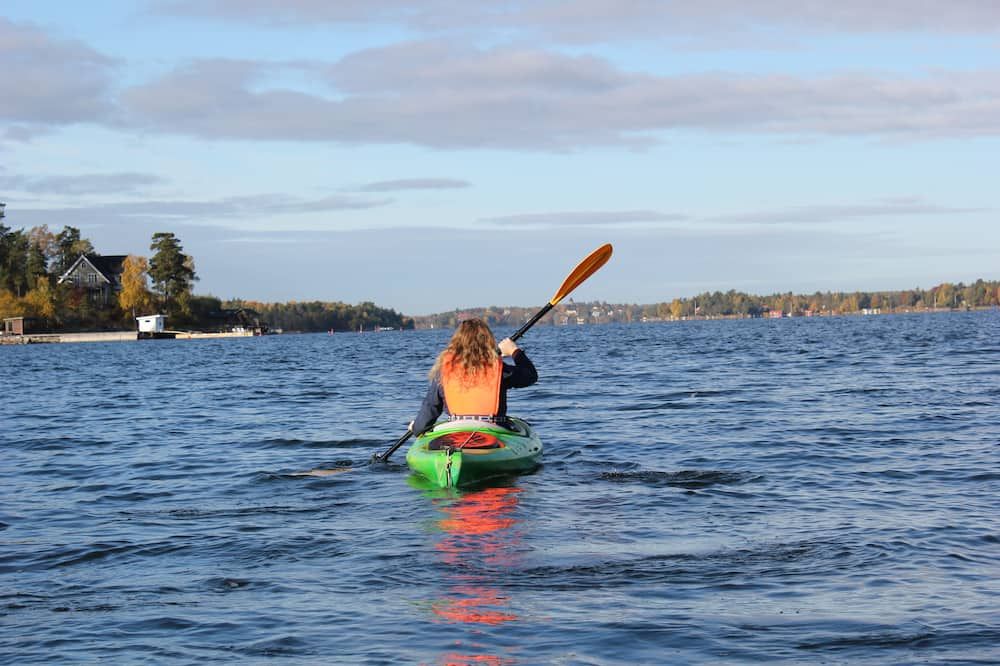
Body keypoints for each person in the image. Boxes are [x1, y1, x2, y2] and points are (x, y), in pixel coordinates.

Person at [410, 319, 538, 435]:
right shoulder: (500, 370)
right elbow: (531, 375)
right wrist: (514, 351)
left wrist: (416, 427)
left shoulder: (443, 372)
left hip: (456, 433)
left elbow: (430, 408)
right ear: (488, 342)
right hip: (493, 432)